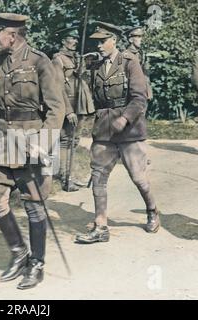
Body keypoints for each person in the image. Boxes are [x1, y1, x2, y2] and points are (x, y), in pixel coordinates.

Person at [0, 12, 65, 290]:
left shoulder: (40, 61)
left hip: (31, 140)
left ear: (12, 35)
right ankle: (19, 253)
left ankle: (37, 264)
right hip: (3, 140)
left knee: (33, 205)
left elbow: (56, 108)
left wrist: (43, 142)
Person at [75, 22, 160, 244]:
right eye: (96, 42)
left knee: (139, 178)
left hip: (130, 130)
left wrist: (125, 118)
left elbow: (140, 98)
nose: (99, 45)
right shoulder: (94, 65)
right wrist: (81, 67)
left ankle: (152, 210)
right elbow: (84, 89)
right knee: (98, 177)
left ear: (114, 40)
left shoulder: (130, 63)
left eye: (103, 41)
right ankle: (101, 226)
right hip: (104, 128)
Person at [52, 26, 95, 191]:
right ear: (63, 41)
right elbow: (58, 87)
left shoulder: (77, 58)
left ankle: (71, 175)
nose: (75, 41)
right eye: (72, 38)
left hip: (81, 104)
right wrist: (68, 110)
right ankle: (65, 177)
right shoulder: (58, 60)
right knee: (65, 141)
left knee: (75, 141)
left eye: (77, 38)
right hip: (68, 105)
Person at [124, 26, 153, 100]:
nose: (142, 39)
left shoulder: (141, 55)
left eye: (142, 36)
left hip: (142, 94)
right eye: (139, 37)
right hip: (130, 95)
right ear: (131, 39)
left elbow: (145, 75)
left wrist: (148, 92)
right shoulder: (125, 56)